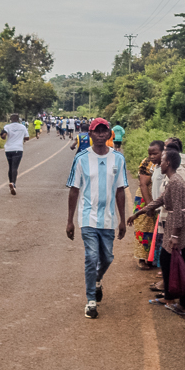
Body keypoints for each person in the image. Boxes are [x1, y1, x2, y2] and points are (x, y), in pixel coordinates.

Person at [65, 118, 128, 319]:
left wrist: (122, 219)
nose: (100, 135)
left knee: (107, 257)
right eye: (96, 131)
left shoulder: (118, 159)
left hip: (108, 219)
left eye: (104, 131)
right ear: (90, 134)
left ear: (110, 134)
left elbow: (120, 191)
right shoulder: (82, 158)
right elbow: (74, 190)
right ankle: (91, 301)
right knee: (91, 257)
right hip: (87, 217)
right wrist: (70, 220)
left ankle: (97, 280)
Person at [129, 148, 185, 316]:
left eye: (162, 159)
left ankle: (184, 304)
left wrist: (174, 236)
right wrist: (140, 212)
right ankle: (170, 297)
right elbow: (161, 200)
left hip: (178, 227)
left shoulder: (176, 181)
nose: (159, 162)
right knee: (167, 261)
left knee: (179, 263)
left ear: (168, 163)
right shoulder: (171, 179)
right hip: (174, 226)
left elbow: (179, 211)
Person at [132, 140, 163, 271]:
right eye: (150, 154)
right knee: (144, 228)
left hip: (158, 198)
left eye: (154, 153)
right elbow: (143, 184)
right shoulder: (146, 163)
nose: (151, 156)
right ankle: (141, 258)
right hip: (145, 198)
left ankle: (152, 258)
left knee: (156, 230)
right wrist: (149, 205)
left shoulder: (165, 162)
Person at [1, 112, 29, 194]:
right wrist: (21, 137)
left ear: (11, 119)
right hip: (18, 149)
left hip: (8, 149)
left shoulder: (7, 126)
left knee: (10, 167)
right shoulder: (22, 127)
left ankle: (11, 183)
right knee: (15, 167)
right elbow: (27, 137)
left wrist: (4, 136)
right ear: (18, 119)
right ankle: (13, 183)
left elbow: (3, 135)